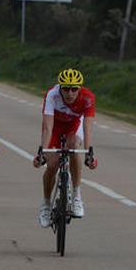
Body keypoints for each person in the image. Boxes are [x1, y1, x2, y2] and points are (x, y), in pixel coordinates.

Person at [33, 69, 98, 228]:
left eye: (74, 89)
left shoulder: (88, 97)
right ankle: (46, 205)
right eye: (66, 89)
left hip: (73, 127)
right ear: (60, 88)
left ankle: (76, 196)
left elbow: (88, 128)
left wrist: (89, 153)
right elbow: (48, 127)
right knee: (53, 165)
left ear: (79, 88)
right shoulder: (52, 95)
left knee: (74, 147)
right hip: (55, 128)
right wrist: (42, 151)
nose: (70, 93)